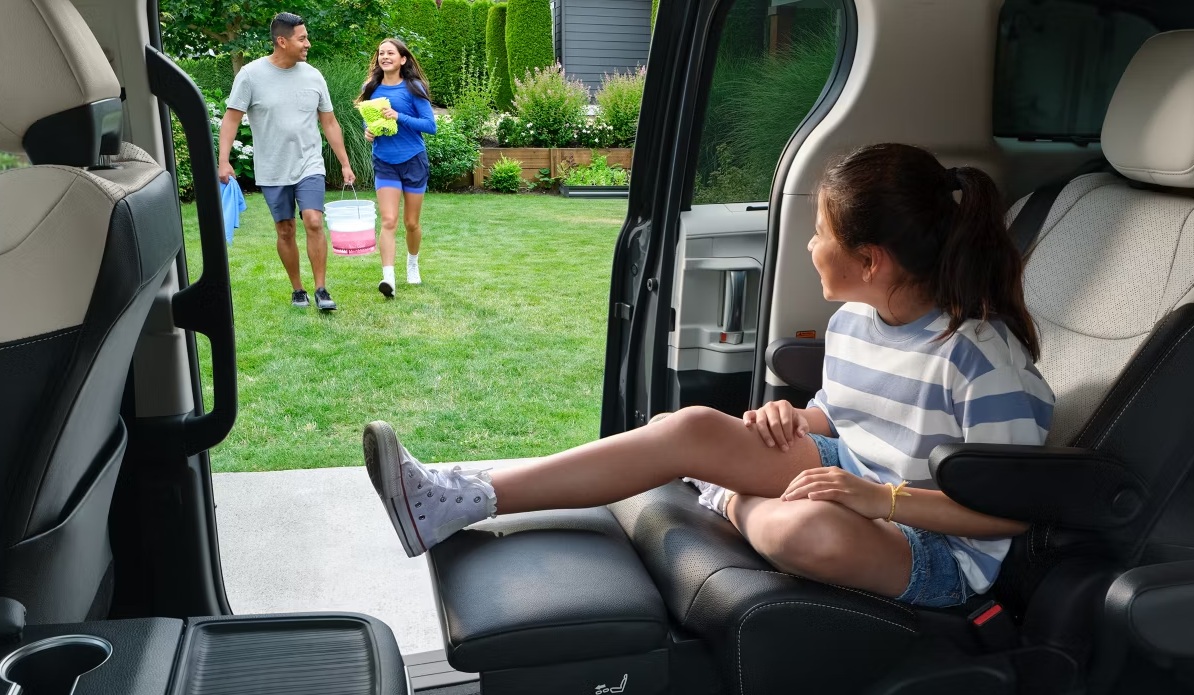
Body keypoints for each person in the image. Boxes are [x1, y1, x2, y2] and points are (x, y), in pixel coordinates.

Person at [362, 143, 1055, 607]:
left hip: (931, 542)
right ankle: (460, 497)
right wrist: (794, 419)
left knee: (803, 531)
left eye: (820, 233)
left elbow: (1010, 509)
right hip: (850, 474)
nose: (811, 245)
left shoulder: (977, 357)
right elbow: (843, 417)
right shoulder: (853, 322)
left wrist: (879, 501)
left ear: (870, 260)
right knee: (691, 424)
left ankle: (727, 496)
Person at [218, 12, 357, 312]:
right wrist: (223, 160)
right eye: (302, 38)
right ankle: (298, 289)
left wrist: (345, 163)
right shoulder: (251, 76)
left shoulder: (313, 75)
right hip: (272, 168)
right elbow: (230, 120)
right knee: (285, 229)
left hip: (309, 163)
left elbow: (330, 122)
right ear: (282, 41)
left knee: (313, 220)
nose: (308, 43)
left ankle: (321, 289)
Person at [357, 39, 437, 299]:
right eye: (381, 53)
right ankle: (388, 278)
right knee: (389, 220)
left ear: (403, 59)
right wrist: (367, 132)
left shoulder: (414, 88)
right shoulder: (371, 88)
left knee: (411, 223)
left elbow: (430, 125)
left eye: (390, 53)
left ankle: (412, 264)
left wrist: (398, 116)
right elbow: (369, 122)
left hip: (413, 160)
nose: (385, 57)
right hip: (385, 161)